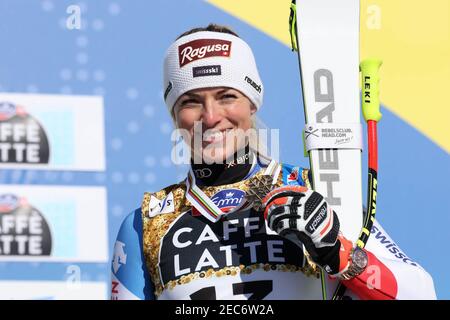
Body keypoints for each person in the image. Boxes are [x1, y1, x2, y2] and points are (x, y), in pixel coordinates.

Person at [110, 24, 436, 300]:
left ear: (252, 103)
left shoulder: (317, 187)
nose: (210, 117)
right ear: (174, 114)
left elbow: (421, 292)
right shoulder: (148, 222)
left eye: (227, 96)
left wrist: (334, 251)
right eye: (192, 102)